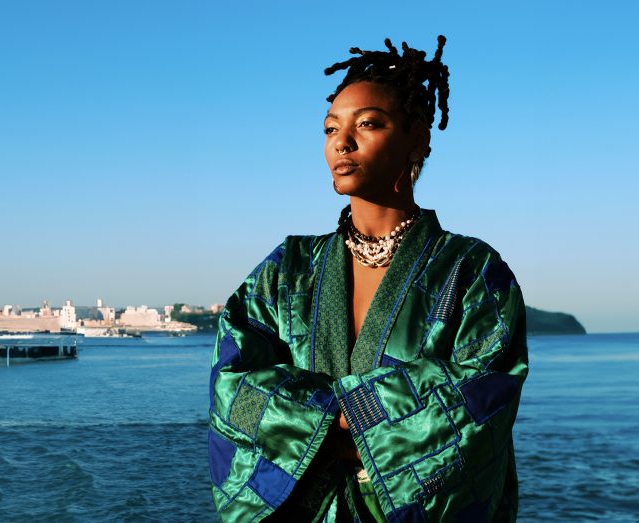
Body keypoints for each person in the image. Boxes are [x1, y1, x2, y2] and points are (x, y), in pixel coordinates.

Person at [208, 36, 529, 522]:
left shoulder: (473, 272)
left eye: (368, 124)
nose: (342, 141)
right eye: (330, 128)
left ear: (418, 136)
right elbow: (232, 385)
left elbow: (481, 401)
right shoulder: (286, 270)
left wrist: (313, 426)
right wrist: (372, 425)